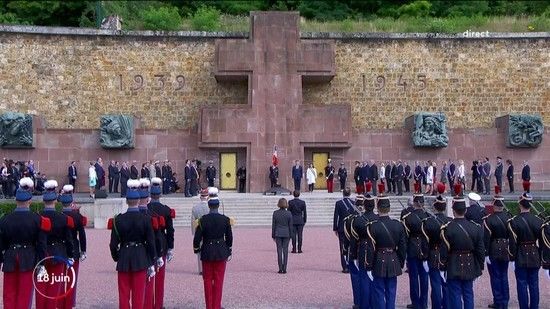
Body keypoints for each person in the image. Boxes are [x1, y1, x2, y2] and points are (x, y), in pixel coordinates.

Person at [0, 177, 49, 309]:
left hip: (10, 256)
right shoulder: (38, 219)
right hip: (28, 256)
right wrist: (42, 263)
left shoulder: (5, 219)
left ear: (16, 200)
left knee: (9, 293)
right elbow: (41, 244)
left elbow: (1, 243)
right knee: (25, 293)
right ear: (29, 201)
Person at [108, 179, 157, 309]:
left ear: (126, 201)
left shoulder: (118, 219)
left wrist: (117, 257)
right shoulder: (146, 219)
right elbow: (151, 242)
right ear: (138, 200)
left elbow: (113, 244)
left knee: (123, 295)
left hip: (124, 256)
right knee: (138, 295)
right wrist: (152, 260)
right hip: (141, 257)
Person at [440, 192, 485, 309]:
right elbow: (480, 250)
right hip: (470, 262)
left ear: (453, 211)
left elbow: (444, 251)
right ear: (465, 211)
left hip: (454, 263)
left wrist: (442, 267)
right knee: (468, 293)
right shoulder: (475, 228)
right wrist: (480, 266)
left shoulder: (447, 228)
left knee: (455, 294)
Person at [36, 180, 75, 309]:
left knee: (41, 289)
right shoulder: (64, 218)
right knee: (55, 289)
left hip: (41, 255)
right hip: (59, 254)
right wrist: (70, 255)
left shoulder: (37, 217)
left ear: (44, 201)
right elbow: (69, 239)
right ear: (55, 201)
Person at [366, 188, 407, 309]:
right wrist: (400, 261)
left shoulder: (373, 226)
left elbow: (370, 248)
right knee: (391, 291)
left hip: (379, 258)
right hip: (393, 258)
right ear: (389, 208)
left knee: (379, 291)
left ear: (377, 208)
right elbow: (402, 246)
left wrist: (369, 265)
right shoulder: (398, 225)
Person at [193, 191, 233, 309]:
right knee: (219, 281)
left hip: (207, 252)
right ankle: (216, 306)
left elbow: (197, 238)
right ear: (218, 206)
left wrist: (197, 250)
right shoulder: (225, 220)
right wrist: (228, 249)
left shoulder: (202, 220)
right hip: (221, 251)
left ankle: (209, 306)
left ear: (209, 206)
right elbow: (229, 238)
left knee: (207, 281)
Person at [508, 193, 543, 309]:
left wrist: (512, 257)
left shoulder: (514, 221)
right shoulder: (538, 221)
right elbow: (543, 242)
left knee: (521, 285)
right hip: (534, 254)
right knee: (534, 284)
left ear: (520, 204)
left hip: (521, 255)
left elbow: (513, 243)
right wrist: (541, 256)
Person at [421, 187, 451, 309]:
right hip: (447, 255)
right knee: (446, 283)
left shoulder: (428, 222)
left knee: (435, 284)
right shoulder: (450, 221)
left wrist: (424, 257)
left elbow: (425, 243)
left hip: (433, 253)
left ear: (435, 207)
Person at [148, 177, 176, 309]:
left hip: (148, 244)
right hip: (162, 244)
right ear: (159, 195)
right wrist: (171, 247)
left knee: (148, 275)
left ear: (150, 195)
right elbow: (170, 231)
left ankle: (147, 302)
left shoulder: (145, 209)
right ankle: (158, 305)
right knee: (160, 277)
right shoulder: (166, 210)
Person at [59, 185, 87, 309]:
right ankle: (69, 303)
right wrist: (83, 250)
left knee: (59, 278)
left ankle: (59, 303)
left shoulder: (58, 215)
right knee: (72, 278)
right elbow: (82, 235)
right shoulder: (77, 216)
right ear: (71, 203)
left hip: (60, 248)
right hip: (74, 248)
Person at [483, 186, 511, 309]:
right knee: (504, 275)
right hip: (506, 248)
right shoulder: (509, 219)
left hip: (493, 249)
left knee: (495, 276)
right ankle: (505, 300)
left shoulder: (489, 220)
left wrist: (486, 254)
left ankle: (498, 300)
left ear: (494, 205)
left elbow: (486, 238)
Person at [402, 187, 429, 309]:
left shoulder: (408, 217)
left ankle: (416, 303)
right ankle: (423, 303)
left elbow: (405, 236)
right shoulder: (428, 216)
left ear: (415, 203)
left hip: (412, 248)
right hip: (425, 248)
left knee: (413, 277)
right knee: (424, 277)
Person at [351, 190, 379, 309]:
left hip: (363, 250)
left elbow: (354, 240)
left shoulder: (357, 220)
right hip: (377, 251)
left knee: (364, 281)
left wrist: (353, 256)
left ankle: (365, 305)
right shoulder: (378, 219)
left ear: (364, 206)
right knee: (376, 280)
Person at [343, 194, 365, 308]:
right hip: (368, 252)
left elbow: (346, 240)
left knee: (356, 278)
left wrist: (345, 252)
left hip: (354, 252)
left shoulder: (350, 220)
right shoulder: (371, 218)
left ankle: (358, 301)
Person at [333, 187, 355, 273]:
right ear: (350, 194)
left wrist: (335, 228)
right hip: (351, 228)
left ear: (343, 194)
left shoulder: (339, 203)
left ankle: (345, 266)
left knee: (342, 247)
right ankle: (350, 265)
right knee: (351, 246)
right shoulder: (353, 203)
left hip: (342, 228)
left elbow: (336, 216)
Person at [192, 188, 210, 274]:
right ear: (208, 197)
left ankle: (201, 270)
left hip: (199, 231)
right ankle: (208, 268)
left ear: (200, 197)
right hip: (209, 232)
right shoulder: (210, 207)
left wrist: (194, 233)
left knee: (199, 251)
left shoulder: (195, 208)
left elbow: (193, 222)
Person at [272, 198, 292, 273]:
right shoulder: (289, 213)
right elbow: (290, 226)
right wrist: (291, 235)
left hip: (278, 233)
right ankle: (285, 268)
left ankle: (280, 268)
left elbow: (273, 225)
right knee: (285, 251)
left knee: (279, 251)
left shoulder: (275, 213)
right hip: (286, 233)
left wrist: (273, 235)